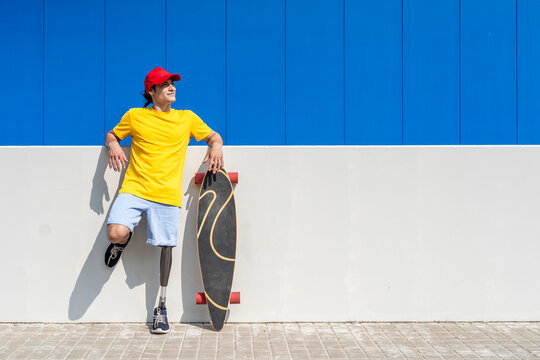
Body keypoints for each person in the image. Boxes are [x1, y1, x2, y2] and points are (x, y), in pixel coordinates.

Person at [103, 67, 224, 334]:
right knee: (115, 232)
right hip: (134, 188)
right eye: (165, 84)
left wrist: (216, 146)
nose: (172, 88)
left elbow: (214, 136)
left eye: (172, 83)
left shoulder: (187, 118)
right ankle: (123, 242)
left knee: (166, 247)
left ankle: (161, 308)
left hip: (167, 194)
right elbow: (112, 134)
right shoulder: (135, 116)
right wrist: (112, 144)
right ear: (152, 91)